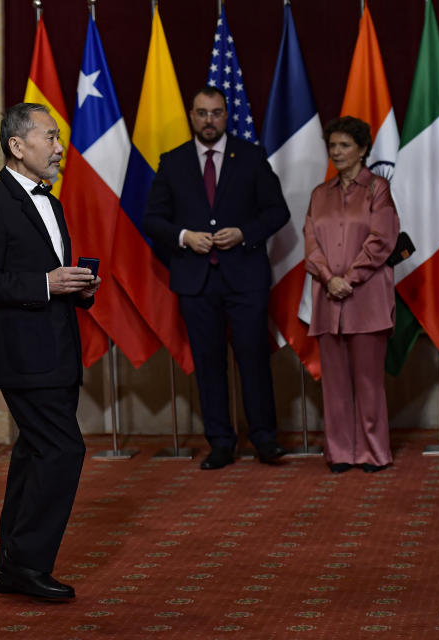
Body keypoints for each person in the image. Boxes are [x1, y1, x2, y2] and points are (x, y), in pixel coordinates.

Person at [0, 103, 100, 600]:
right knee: (64, 450)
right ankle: (28, 564)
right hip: (25, 358)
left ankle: (12, 563)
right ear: (18, 146)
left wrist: (77, 287)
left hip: (60, 350)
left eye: (59, 138)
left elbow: (50, 278)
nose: (60, 148)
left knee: (35, 454)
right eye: (50, 137)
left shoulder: (53, 202)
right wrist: (44, 283)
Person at [143, 87, 290, 470]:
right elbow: (153, 220)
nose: (210, 120)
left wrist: (244, 232)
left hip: (245, 278)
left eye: (217, 113)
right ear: (191, 116)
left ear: (228, 116)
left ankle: (264, 439)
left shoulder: (252, 157)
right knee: (208, 364)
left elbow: (277, 212)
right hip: (196, 281)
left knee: (253, 359)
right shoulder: (172, 162)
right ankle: (221, 443)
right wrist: (183, 237)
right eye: (202, 113)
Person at [303, 116, 399, 474]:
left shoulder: (378, 189)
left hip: (367, 299)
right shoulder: (319, 194)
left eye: (345, 146)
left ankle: (374, 453)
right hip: (329, 300)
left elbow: (383, 240)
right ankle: (341, 452)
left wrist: (349, 278)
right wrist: (329, 278)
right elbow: (310, 242)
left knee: (369, 381)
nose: (337, 152)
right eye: (333, 146)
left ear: (362, 150)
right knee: (335, 384)